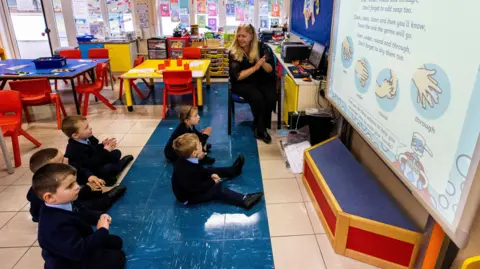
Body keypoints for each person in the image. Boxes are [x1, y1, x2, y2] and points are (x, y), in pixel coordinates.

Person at [34, 163, 126, 269]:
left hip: (80, 240)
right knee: (118, 258)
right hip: (72, 261)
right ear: (50, 197)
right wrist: (102, 230)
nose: (77, 187)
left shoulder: (64, 201)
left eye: (75, 182)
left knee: (116, 242)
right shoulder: (54, 227)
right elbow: (79, 252)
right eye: (70, 186)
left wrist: (99, 218)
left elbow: (82, 212)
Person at [26, 148, 126, 222]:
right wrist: (87, 188)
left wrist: (90, 177)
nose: (66, 159)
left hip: (73, 199)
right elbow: (36, 214)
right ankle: (108, 198)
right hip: (70, 208)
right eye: (61, 160)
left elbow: (80, 170)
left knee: (96, 191)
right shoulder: (37, 194)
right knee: (93, 206)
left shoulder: (64, 170)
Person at [171, 133, 263, 209]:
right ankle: (244, 200)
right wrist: (212, 181)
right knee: (217, 189)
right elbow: (197, 188)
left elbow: (200, 171)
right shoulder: (186, 170)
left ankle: (233, 171)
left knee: (211, 170)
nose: (201, 143)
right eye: (199, 144)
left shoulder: (188, 159)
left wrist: (210, 175)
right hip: (190, 197)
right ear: (194, 153)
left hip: (194, 184)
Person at [228, 23, 276, 144]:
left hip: (260, 79)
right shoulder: (234, 51)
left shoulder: (262, 47)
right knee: (257, 98)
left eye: (243, 36)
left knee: (271, 97)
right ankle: (261, 129)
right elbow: (237, 76)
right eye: (238, 36)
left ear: (251, 36)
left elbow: (270, 70)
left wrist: (261, 63)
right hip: (242, 83)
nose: (240, 39)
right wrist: (255, 67)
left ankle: (257, 122)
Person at [62, 116, 134, 186]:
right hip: (91, 170)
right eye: (86, 127)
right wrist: (105, 151)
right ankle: (119, 166)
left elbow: (95, 149)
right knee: (109, 168)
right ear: (75, 135)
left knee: (117, 152)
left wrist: (102, 145)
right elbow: (90, 164)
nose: (90, 128)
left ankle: (115, 169)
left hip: (97, 160)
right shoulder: (74, 149)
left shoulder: (87, 137)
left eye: (88, 125)